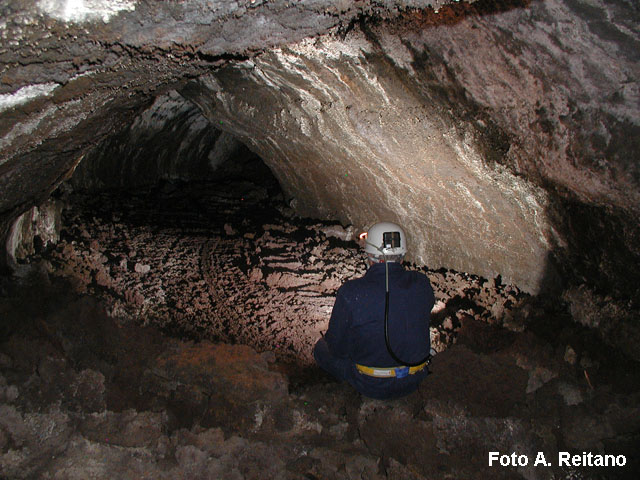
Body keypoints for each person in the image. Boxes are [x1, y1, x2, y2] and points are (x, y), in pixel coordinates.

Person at [313, 221, 435, 399]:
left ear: (369, 256)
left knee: (321, 349)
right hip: (415, 379)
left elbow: (337, 348)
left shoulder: (352, 291)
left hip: (372, 384)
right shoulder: (422, 283)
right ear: (403, 255)